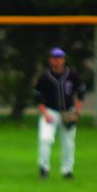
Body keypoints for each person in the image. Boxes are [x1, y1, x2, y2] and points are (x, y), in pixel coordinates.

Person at [33, 47, 86, 179]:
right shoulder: (44, 77)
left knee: (68, 142)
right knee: (45, 139)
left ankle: (67, 171)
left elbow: (81, 92)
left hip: (68, 112)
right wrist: (45, 114)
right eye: (54, 58)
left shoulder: (72, 75)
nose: (57, 60)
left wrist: (76, 111)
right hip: (50, 111)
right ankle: (43, 168)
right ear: (50, 60)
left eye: (60, 58)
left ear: (63, 59)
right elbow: (37, 98)